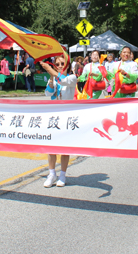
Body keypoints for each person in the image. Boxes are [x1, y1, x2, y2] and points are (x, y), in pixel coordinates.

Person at [40, 55, 77, 187]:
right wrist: (51, 77)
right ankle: (51, 174)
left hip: (67, 117)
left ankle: (62, 175)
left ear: (67, 65)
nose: (60, 66)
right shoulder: (55, 79)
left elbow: (64, 81)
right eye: (58, 64)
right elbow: (48, 94)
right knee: (51, 147)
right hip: (54, 117)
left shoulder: (72, 78)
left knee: (64, 148)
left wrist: (52, 71)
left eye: (62, 63)